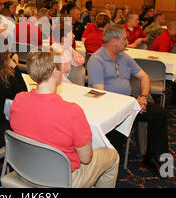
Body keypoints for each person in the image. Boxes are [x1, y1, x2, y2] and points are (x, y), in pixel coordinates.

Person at [10, 50, 120, 188]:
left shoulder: (18, 100)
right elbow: (86, 159)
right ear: (55, 73)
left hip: (25, 170)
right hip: (61, 179)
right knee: (113, 156)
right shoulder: (72, 112)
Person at [87, 24, 169, 174]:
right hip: (109, 110)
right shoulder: (96, 60)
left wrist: (143, 98)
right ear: (114, 40)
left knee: (160, 113)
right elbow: (101, 94)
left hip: (129, 103)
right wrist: (130, 105)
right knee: (113, 146)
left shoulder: (124, 57)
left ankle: (153, 157)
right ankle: (104, 168)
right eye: (125, 38)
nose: (127, 41)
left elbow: (144, 76)